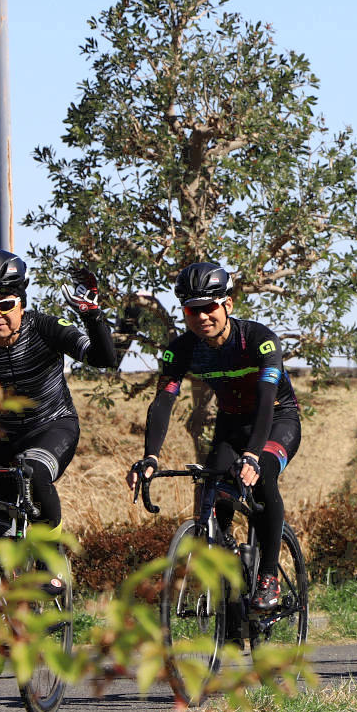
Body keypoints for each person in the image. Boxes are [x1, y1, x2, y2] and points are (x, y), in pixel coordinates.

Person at [126, 262, 300, 612]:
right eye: (193, 310)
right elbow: (163, 400)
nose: (203, 317)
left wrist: (252, 455)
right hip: (231, 423)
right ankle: (229, 589)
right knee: (215, 490)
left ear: (228, 305)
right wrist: (150, 457)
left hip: (277, 419)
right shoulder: (182, 349)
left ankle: (269, 577)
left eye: (209, 307)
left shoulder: (259, 341)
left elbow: (267, 400)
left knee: (263, 475)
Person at [0, 249, 118, 554]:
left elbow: (104, 359)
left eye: (5, 305)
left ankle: (50, 559)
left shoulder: (45, 328)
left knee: (34, 473)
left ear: (22, 303)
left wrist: (91, 314)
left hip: (51, 426)